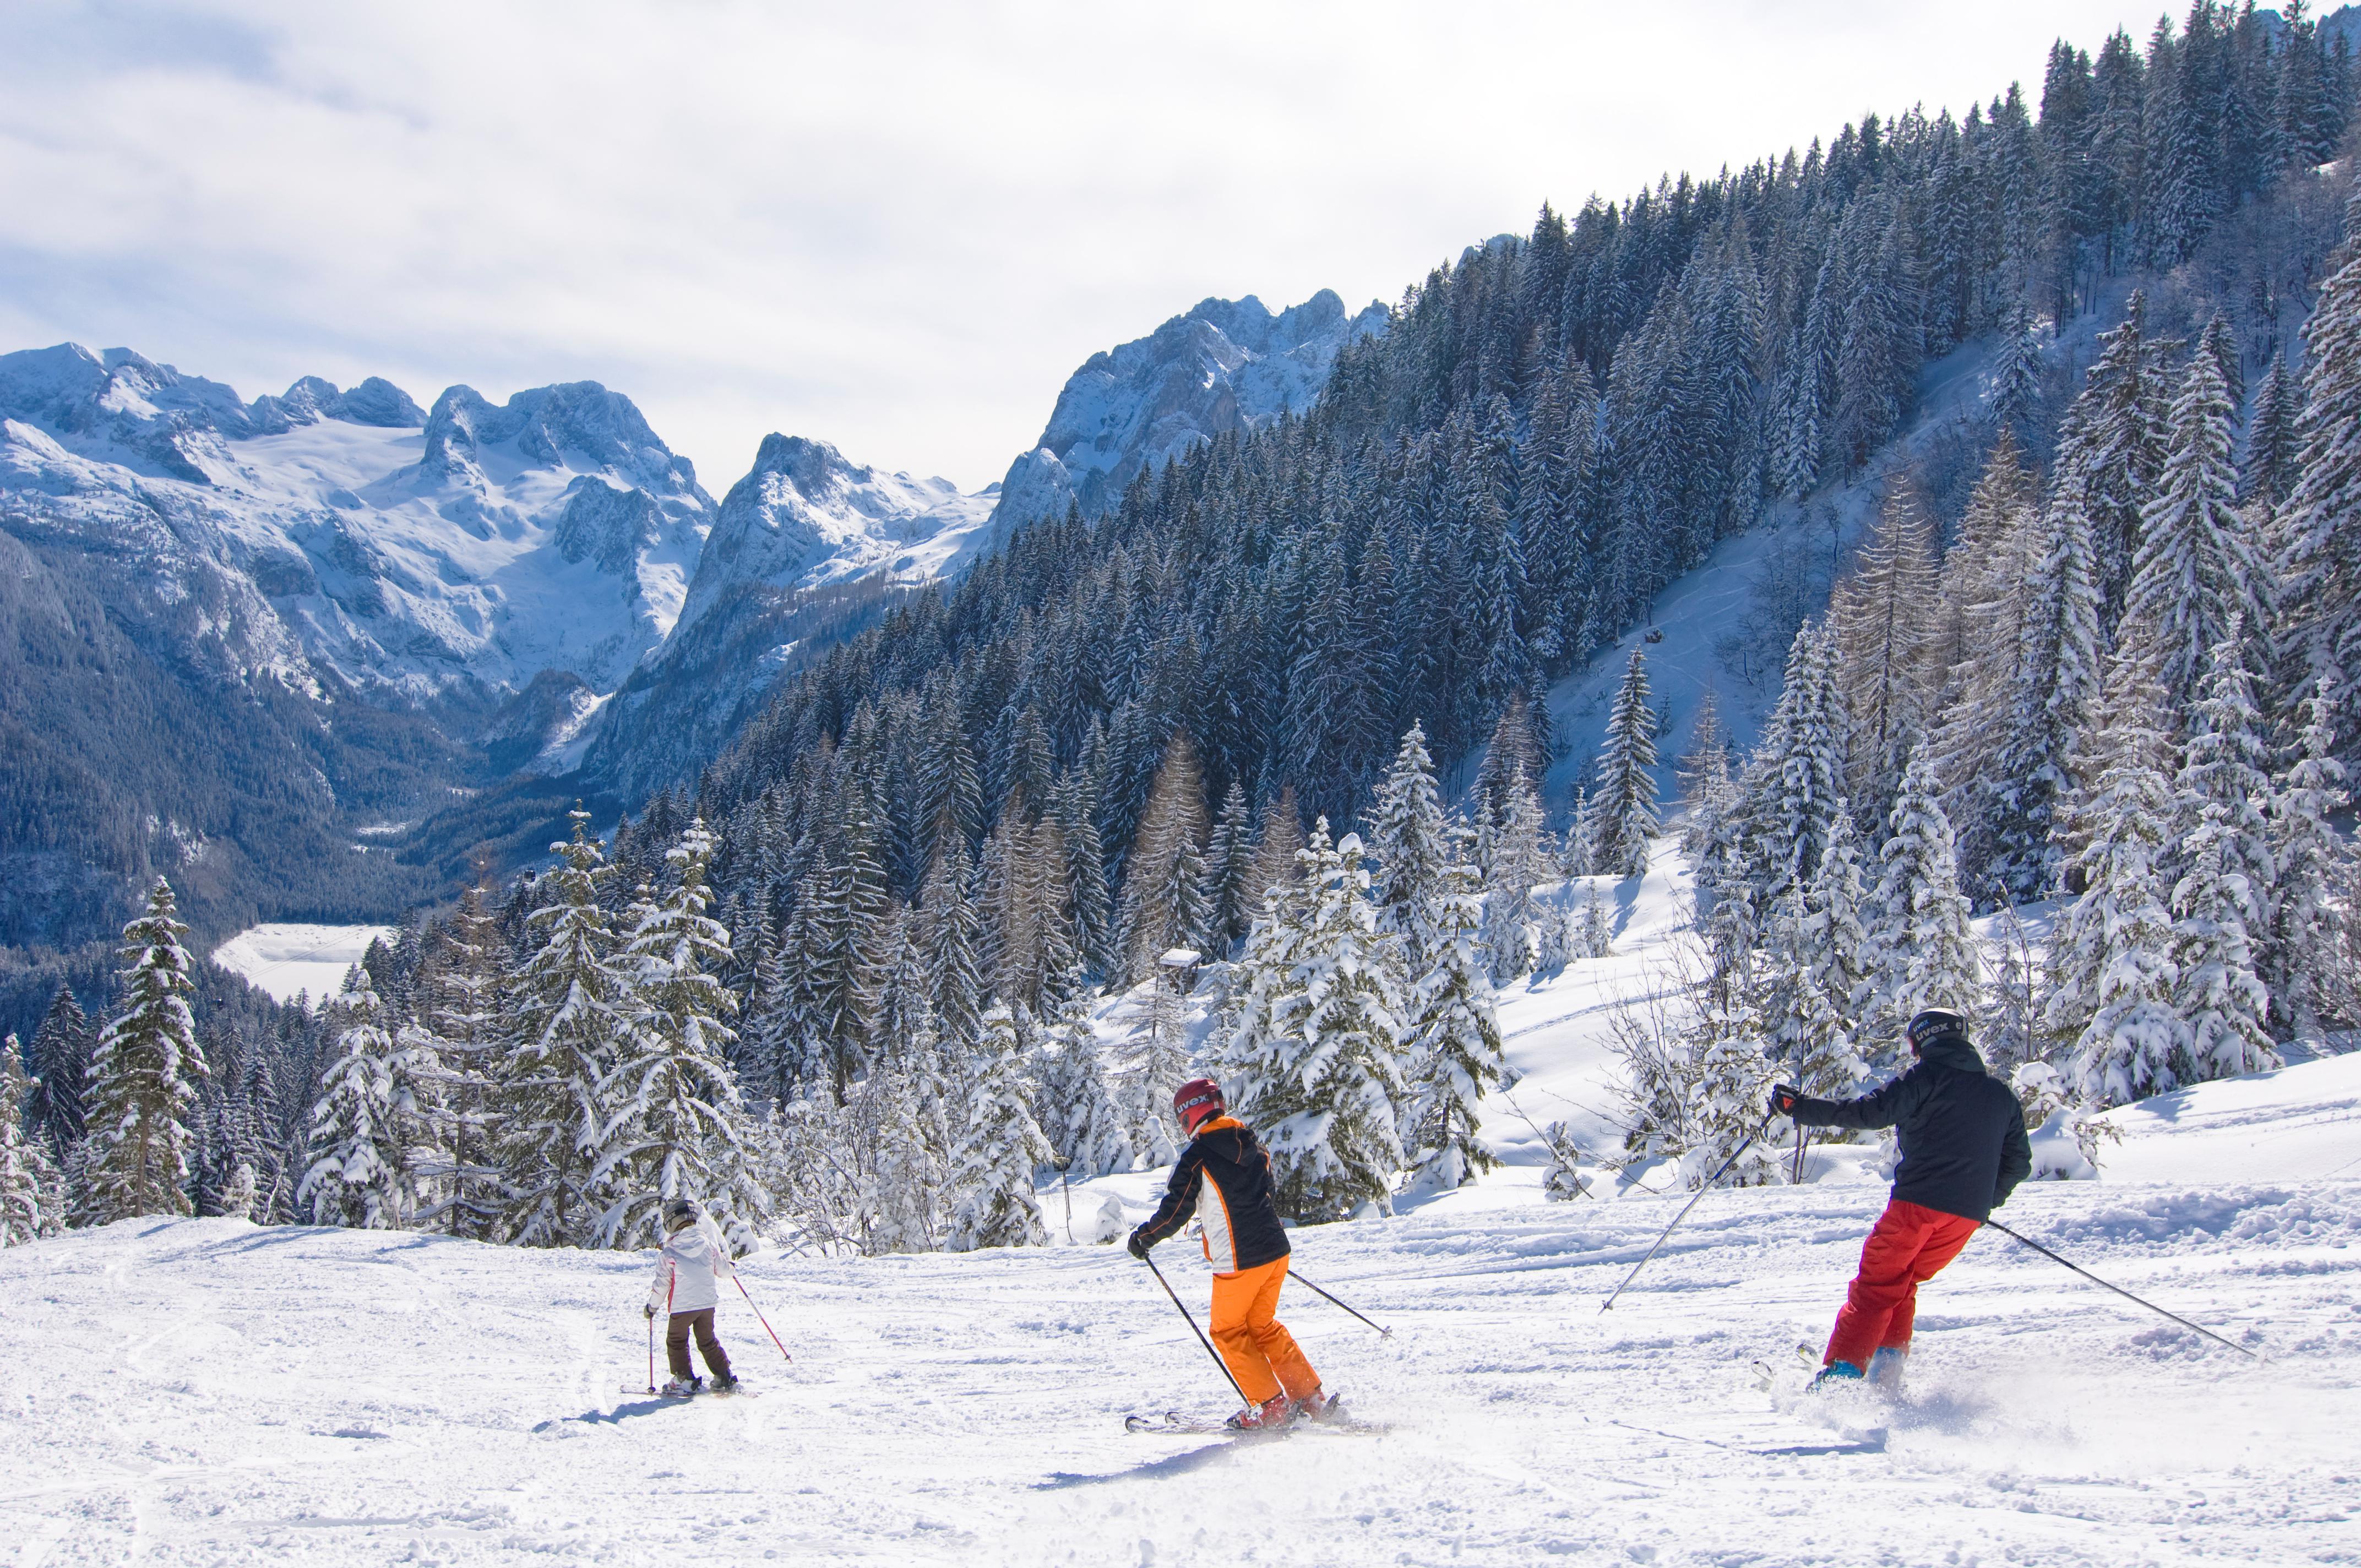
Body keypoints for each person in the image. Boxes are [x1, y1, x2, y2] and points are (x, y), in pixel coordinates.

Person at [1770, 1008, 2033, 1391]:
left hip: (1917, 1206)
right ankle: (1885, 1367)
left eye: (1913, 1045)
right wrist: (1981, 1201)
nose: (1913, 1053)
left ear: (1926, 1040)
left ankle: (1841, 1378)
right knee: (1903, 1280)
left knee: (1878, 1283)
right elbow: (2019, 1163)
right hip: (1964, 1220)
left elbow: (1871, 1113)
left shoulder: (1926, 1078)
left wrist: (1802, 1109)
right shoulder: (2000, 1095)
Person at [1128, 1078, 1332, 1430]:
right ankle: (1309, 1397)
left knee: (1227, 1331)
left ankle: (1269, 1407)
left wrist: (1144, 1238)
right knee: (1262, 1326)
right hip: (1276, 1252)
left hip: (1239, 1261)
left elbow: (1177, 1210)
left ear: (1189, 1114)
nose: (1183, 1126)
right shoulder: (1252, 1143)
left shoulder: (1197, 1156)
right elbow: (1266, 1191)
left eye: (1181, 1119)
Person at [644, 1197, 740, 1396]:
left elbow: (662, 1286)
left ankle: (684, 1379)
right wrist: (731, 1268)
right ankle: (724, 1375)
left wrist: (652, 1307)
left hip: (683, 1307)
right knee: (707, 1341)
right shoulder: (707, 1245)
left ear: (673, 1223)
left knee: (677, 1341)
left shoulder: (669, 1252)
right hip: (707, 1305)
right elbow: (724, 1270)